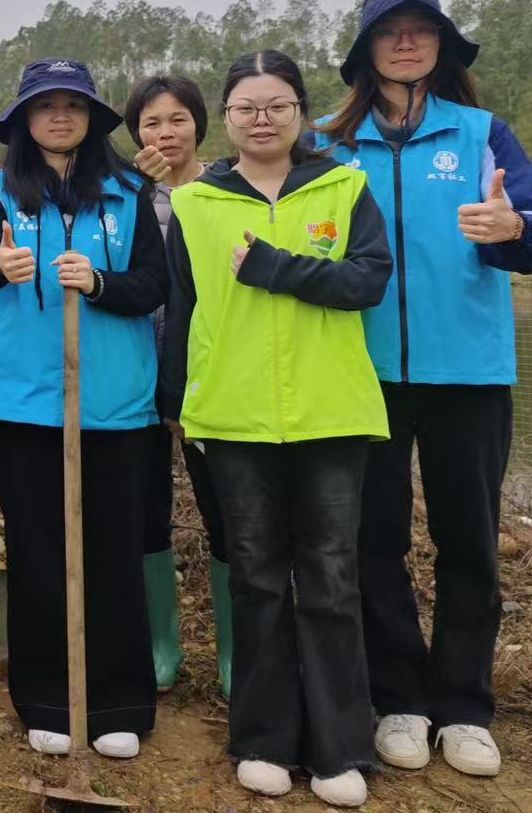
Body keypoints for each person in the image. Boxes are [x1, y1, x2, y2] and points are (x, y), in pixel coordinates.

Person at [318, 0, 532, 779]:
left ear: (442, 47)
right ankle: (398, 698)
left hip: (468, 372)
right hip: (362, 373)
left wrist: (510, 229)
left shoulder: (484, 134)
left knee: (467, 544)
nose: (407, 43)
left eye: (422, 31)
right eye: (390, 32)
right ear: (364, 53)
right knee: (372, 542)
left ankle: (462, 705)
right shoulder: (329, 143)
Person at [164, 50, 393, 807]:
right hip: (232, 416)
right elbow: (182, 309)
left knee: (330, 579)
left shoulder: (344, 184)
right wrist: (178, 404)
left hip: (331, 415)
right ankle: (261, 737)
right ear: (224, 121)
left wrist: (277, 267)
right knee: (257, 578)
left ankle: (338, 747)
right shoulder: (197, 202)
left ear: (301, 111)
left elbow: (365, 281)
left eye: (276, 105)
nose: (260, 119)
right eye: (245, 108)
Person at [0, 60, 166, 762]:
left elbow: (151, 285)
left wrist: (101, 281)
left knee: (112, 551)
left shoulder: (129, 194)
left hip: (112, 401)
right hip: (25, 401)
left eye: (71, 106)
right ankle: (47, 696)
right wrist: (3, 266)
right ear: (22, 121)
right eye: (43, 106)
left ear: (90, 118)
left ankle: (117, 700)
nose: (58, 117)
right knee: (39, 550)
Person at [123, 75, 233, 697]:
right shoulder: (129, 195)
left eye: (177, 120)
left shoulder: (227, 189)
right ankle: (160, 646)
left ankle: (235, 653)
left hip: (210, 376)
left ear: (200, 123)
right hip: (138, 372)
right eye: (150, 123)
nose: (165, 134)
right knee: (146, 514)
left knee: (225, 511)